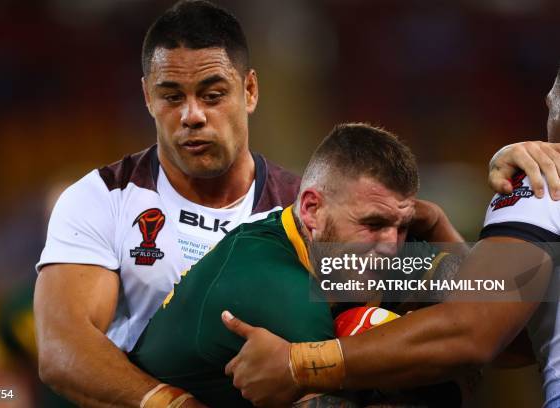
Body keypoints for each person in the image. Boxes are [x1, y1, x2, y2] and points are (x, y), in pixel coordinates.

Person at [222, 68, 560, 408]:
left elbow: (474, 332)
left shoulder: (543, 186)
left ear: (550, 102)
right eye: (374, 225)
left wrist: (299, 365)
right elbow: (513, 342)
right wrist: (441, 227)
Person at [33, 1, 300, 407]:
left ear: (249, 90)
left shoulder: (304, 208)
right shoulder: (101, 199)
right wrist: (171, 404)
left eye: (212, 95)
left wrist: (310, 363)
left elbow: (409, 313)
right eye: (172, 97)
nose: (192, 115)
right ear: (146, 96)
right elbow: (59, 348)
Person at [128, 123, 469, 407]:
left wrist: (438, 223)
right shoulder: (278, 293)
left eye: (404, 226)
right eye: (374, 225)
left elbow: (497, 317)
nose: (392, 248)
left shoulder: (351, 250)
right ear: (311, 210)